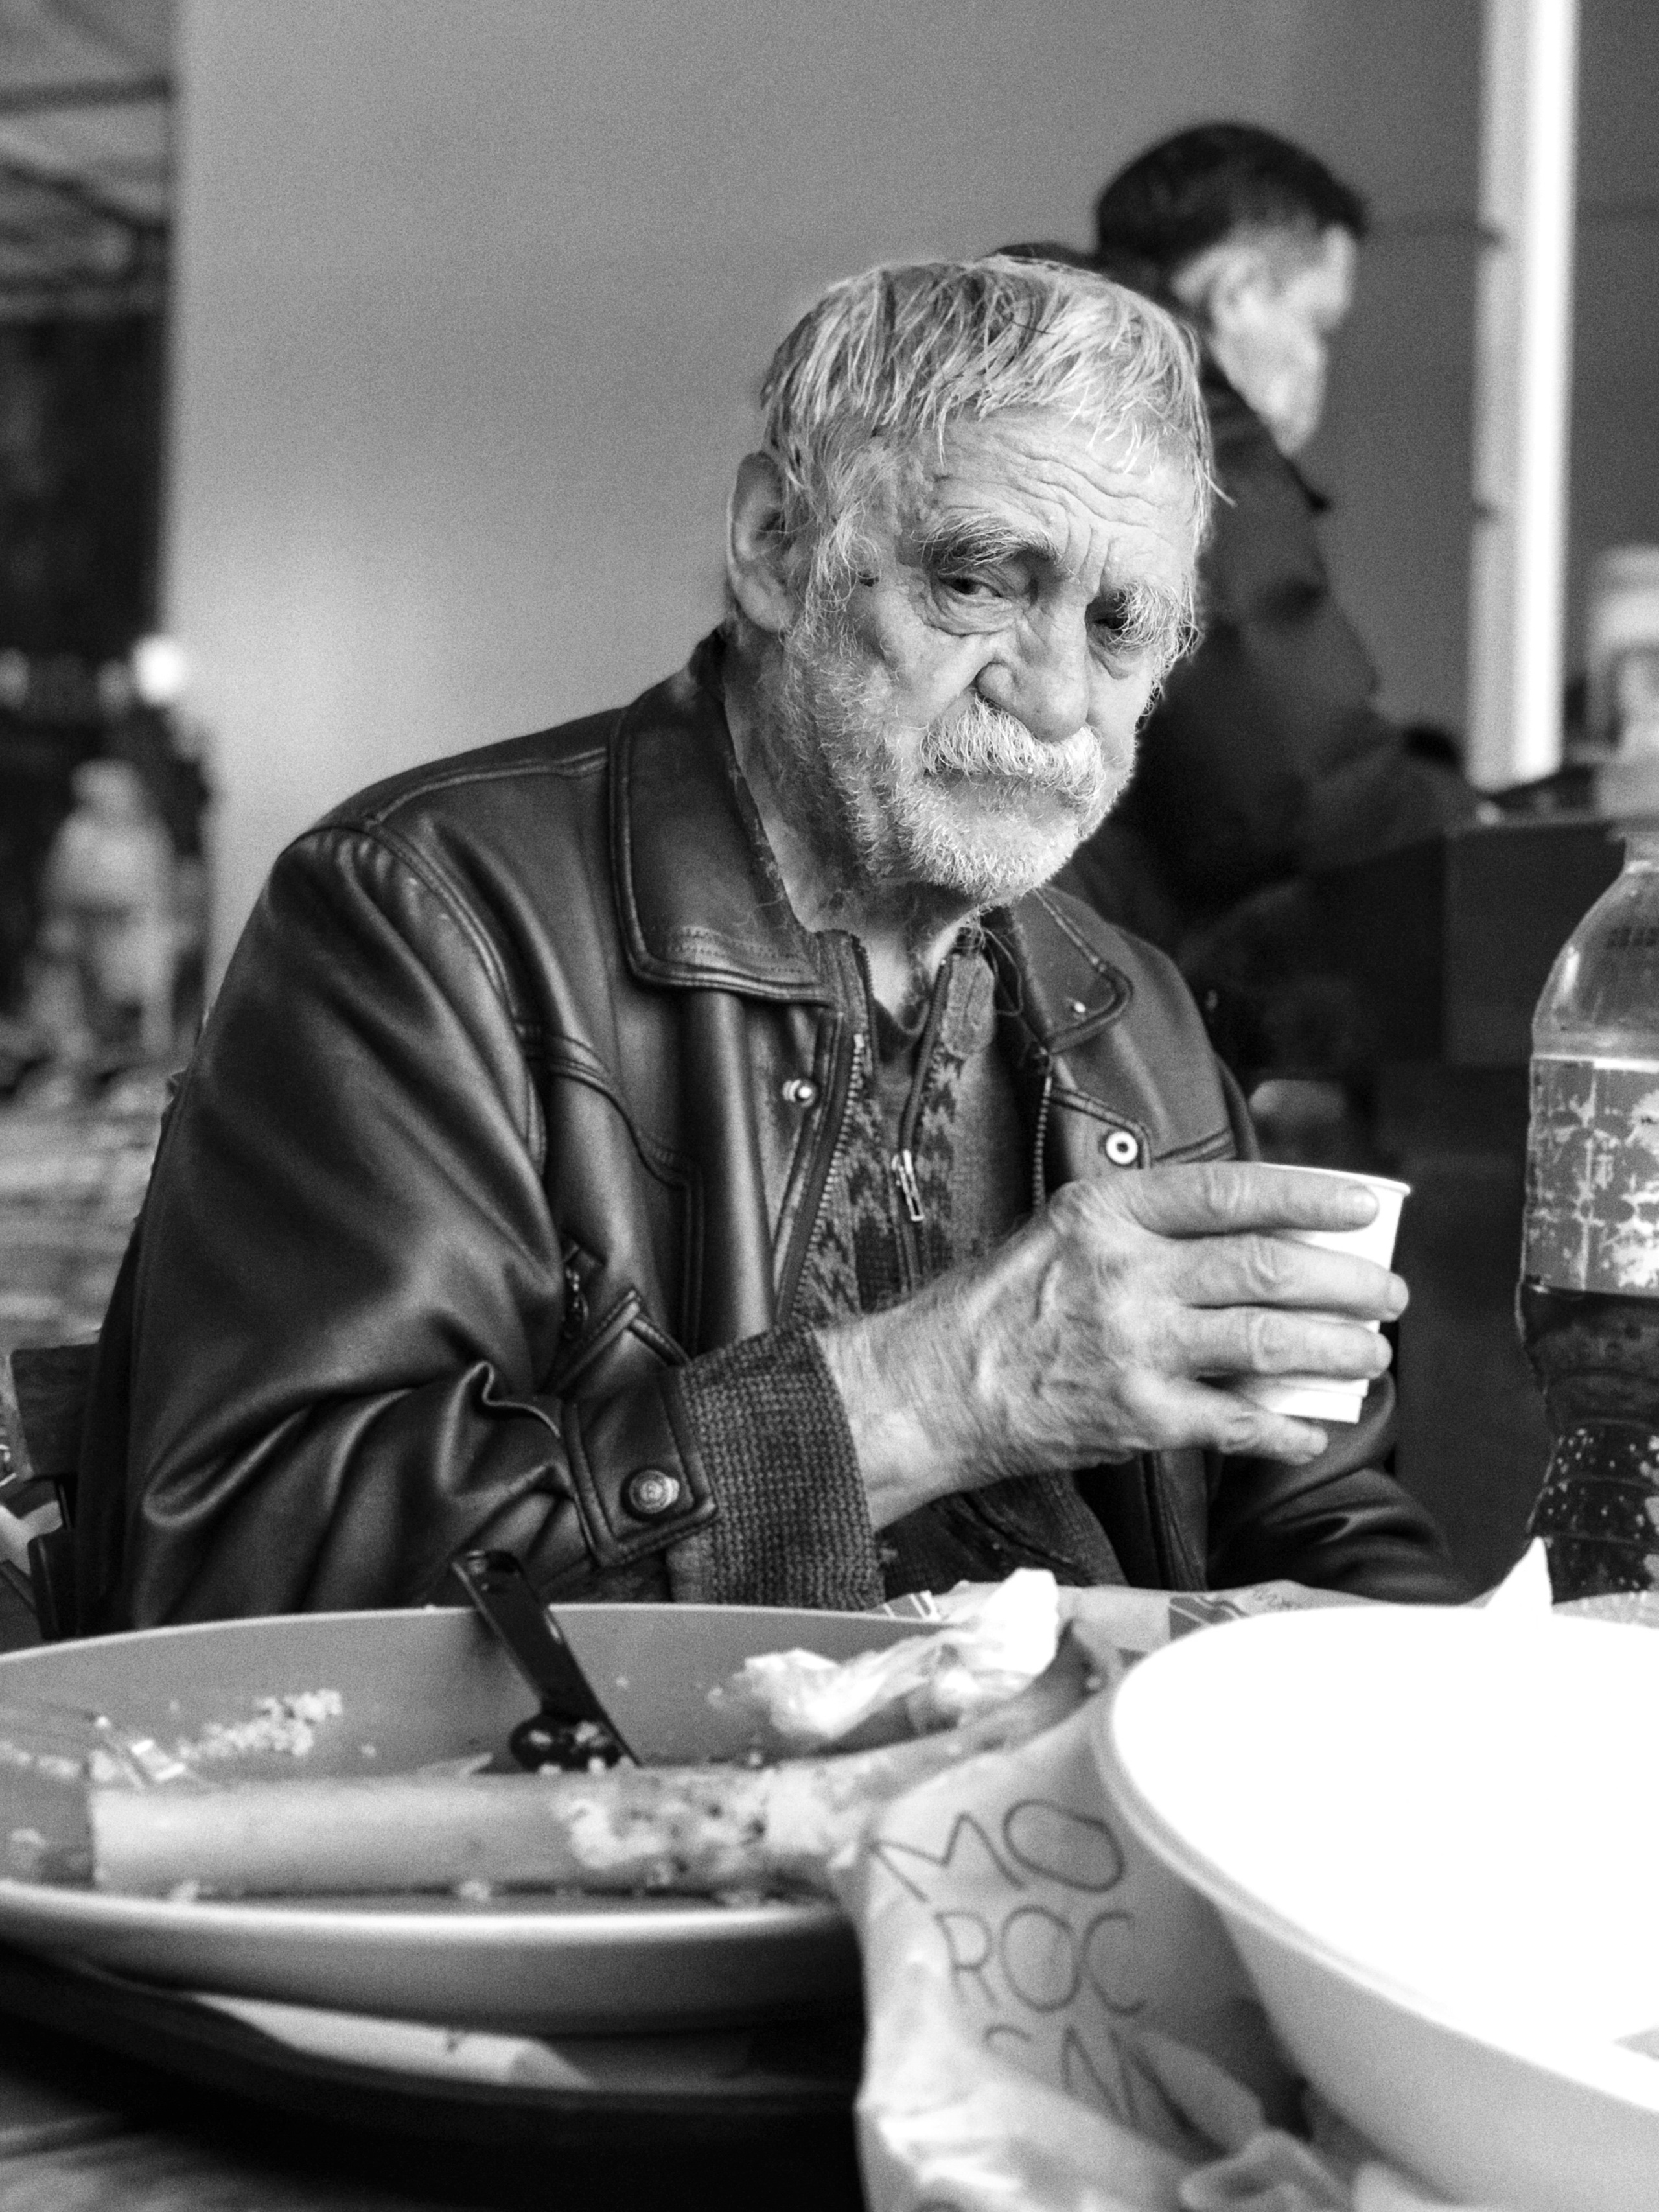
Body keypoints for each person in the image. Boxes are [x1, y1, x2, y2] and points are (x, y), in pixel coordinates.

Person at [73, 258, 1465, 1633]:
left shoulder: (1132, 1016)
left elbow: (1321, 1517)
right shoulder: (426, 919)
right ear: (776, 548)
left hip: (1051, 1834)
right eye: (980, 579)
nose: (1052, 699)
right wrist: (937, 1391)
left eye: (1118, 625)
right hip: (626, 1842)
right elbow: (253, 1571)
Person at [1049, 124, 1481, 958]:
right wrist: (1469, 820)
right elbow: (1294, 791)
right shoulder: (1173, 417)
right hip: (1074, 968)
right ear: (1240, 292)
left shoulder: (1051, 357)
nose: (1319, 361)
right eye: (1318, 323)